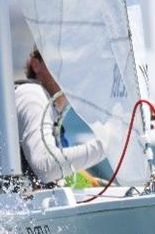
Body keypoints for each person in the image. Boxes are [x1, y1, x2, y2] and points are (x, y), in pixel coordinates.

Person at [16, 48, 105, 187]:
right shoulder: (32, 95)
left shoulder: (52, 110)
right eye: (61, 61)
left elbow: (57, 173)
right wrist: (109, 145)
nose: (71, 70)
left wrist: (88, 183)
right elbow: (45, 166)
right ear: (35, 65)